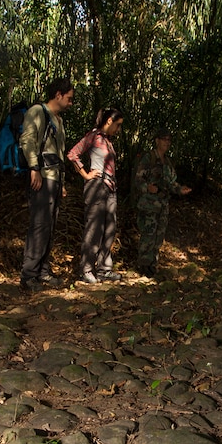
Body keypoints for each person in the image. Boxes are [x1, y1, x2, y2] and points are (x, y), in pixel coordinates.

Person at [19, 77, 75, 292]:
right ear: (58, 94)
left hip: (54, 178)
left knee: (49, 226)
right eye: (69, 98)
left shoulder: (58, 120)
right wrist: (34, 168)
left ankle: (43, 270)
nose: (70, 103)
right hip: (41, 177)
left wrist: (61, 183)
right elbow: (28, 140)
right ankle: (29, 275)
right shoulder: (37, 112)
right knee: (39, 225)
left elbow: (59, 154)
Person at [67, 108, 125, 284]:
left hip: (110, 188)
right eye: (117, 125)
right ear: (109, 121)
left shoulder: (107, 141)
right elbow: (73, 154)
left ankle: (104, 269)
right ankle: (86, 269)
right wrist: (85, 174)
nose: (118, 129)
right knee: (94, 228)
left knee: (109, 228)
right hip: (96, 187)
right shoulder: (94, 136)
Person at [133, 128, 191, 277]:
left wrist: (180, 189)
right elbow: (138, 179)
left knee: (159, 236)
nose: (167, 142)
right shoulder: (149, 158)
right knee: (148, 234)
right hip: (150, 204)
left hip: (163, 205)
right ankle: (144, 265)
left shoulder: (168, 162)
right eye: (164, 139)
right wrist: (147, 188)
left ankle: (153, 264)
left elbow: (171, 183)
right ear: (157, 140)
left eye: (169, 140)